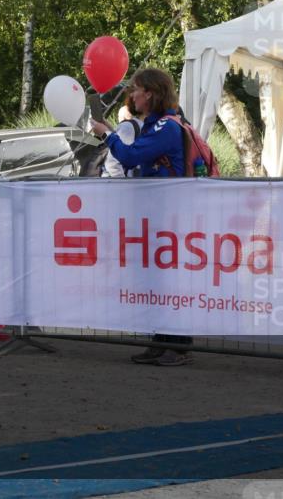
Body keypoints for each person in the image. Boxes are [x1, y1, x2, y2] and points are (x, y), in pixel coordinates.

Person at [90, 67, 191, 366]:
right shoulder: (155, 124)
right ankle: (160, 341)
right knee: (155, 280)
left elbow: (131, 156)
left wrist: (107, 134)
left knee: (169, 280)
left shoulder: (167, 126)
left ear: (150, 92)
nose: (132, 95)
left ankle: (178, 346)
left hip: (170, 216)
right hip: (156, 215)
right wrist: (113, 134)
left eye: (136, 90)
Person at [101, 101, 145, 178]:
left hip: (120, 181)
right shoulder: (142, 126)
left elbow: (112, 163)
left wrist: (121, 183)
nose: (118, 119)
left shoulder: (126, 127)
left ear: (123, 117)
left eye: (118, 116)